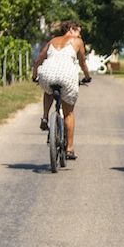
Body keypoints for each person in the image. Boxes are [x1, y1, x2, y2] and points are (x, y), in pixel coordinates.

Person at [33, 20, 92, 158]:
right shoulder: (77, 42)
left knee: (48, 90)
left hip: (47, 73)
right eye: (78, 31)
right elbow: (83, 63)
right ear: (71, 29)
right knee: (69, 113)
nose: (80, 35)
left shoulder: (52, 41)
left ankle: (45, 117)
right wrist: (87, 77)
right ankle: (70, 149)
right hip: (67, 76)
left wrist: (34, 76)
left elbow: (39, 59)